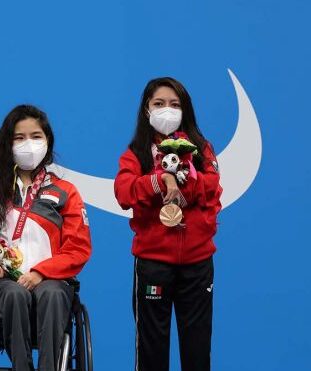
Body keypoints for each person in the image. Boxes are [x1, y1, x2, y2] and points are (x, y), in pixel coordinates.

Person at [0, 105, 92, 370]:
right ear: (7, 143)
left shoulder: (65, 192)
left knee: (52, 294)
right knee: (15, 294)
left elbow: (78, 249)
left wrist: (39, 273)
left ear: (48, 142)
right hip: (0, 284)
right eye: (19, 137)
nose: (29, 144)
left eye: (36, 136)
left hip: (50, 281)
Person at [114, 77, 222, 371]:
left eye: (175, 104)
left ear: (185, 110)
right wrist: (157, 180)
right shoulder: (136, 153)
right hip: (153, 263)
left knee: (197, 350)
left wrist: (182, 182)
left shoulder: (201, 149)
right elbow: (123, 193)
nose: (167, 110)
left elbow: (212, 188)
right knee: (152, 351)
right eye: (159, 104)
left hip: (197, 263)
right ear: (146, 110)